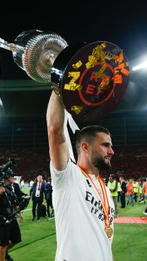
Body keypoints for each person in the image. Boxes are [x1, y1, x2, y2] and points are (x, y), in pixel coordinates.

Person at [47, 90, 116, 261]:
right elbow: (55, 131)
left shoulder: (105, 190)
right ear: (85, 147)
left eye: (111, 146)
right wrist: (58, 84)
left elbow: (106, 240)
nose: (111, 151)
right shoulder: (67, 176)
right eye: (105, 146)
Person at [0, 173, 23, 261]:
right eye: (12, 177)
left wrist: (19, 212)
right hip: (1, 218)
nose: (13, 178)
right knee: (3, 244)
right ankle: (0, 256)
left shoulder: (10, 187)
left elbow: (13, 203)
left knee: (16, 239)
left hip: (11, 216)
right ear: (7, 177)